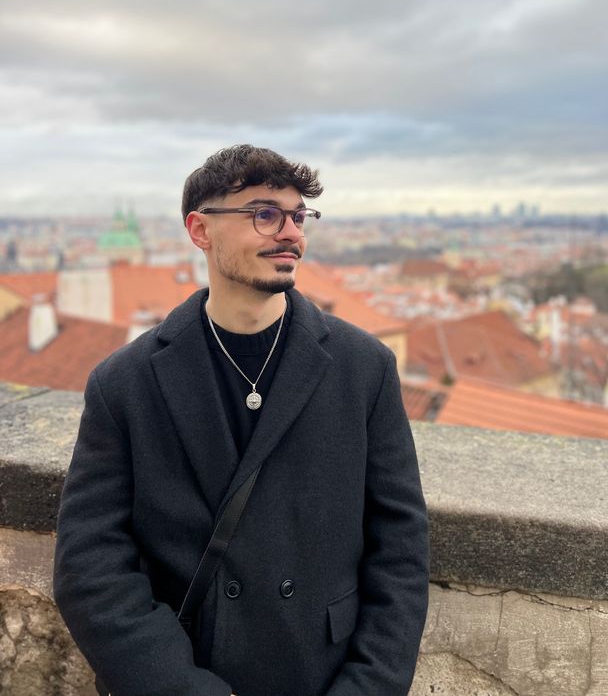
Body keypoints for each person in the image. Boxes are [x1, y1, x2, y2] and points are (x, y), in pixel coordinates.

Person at [54, 144, 429, 696]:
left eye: (298, 216)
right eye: (265, 214)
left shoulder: (364, 368)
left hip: (319, 674)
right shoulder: (125, 383)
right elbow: (91, 568)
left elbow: (400, 552)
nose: (291, 233)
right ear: (200, 230)